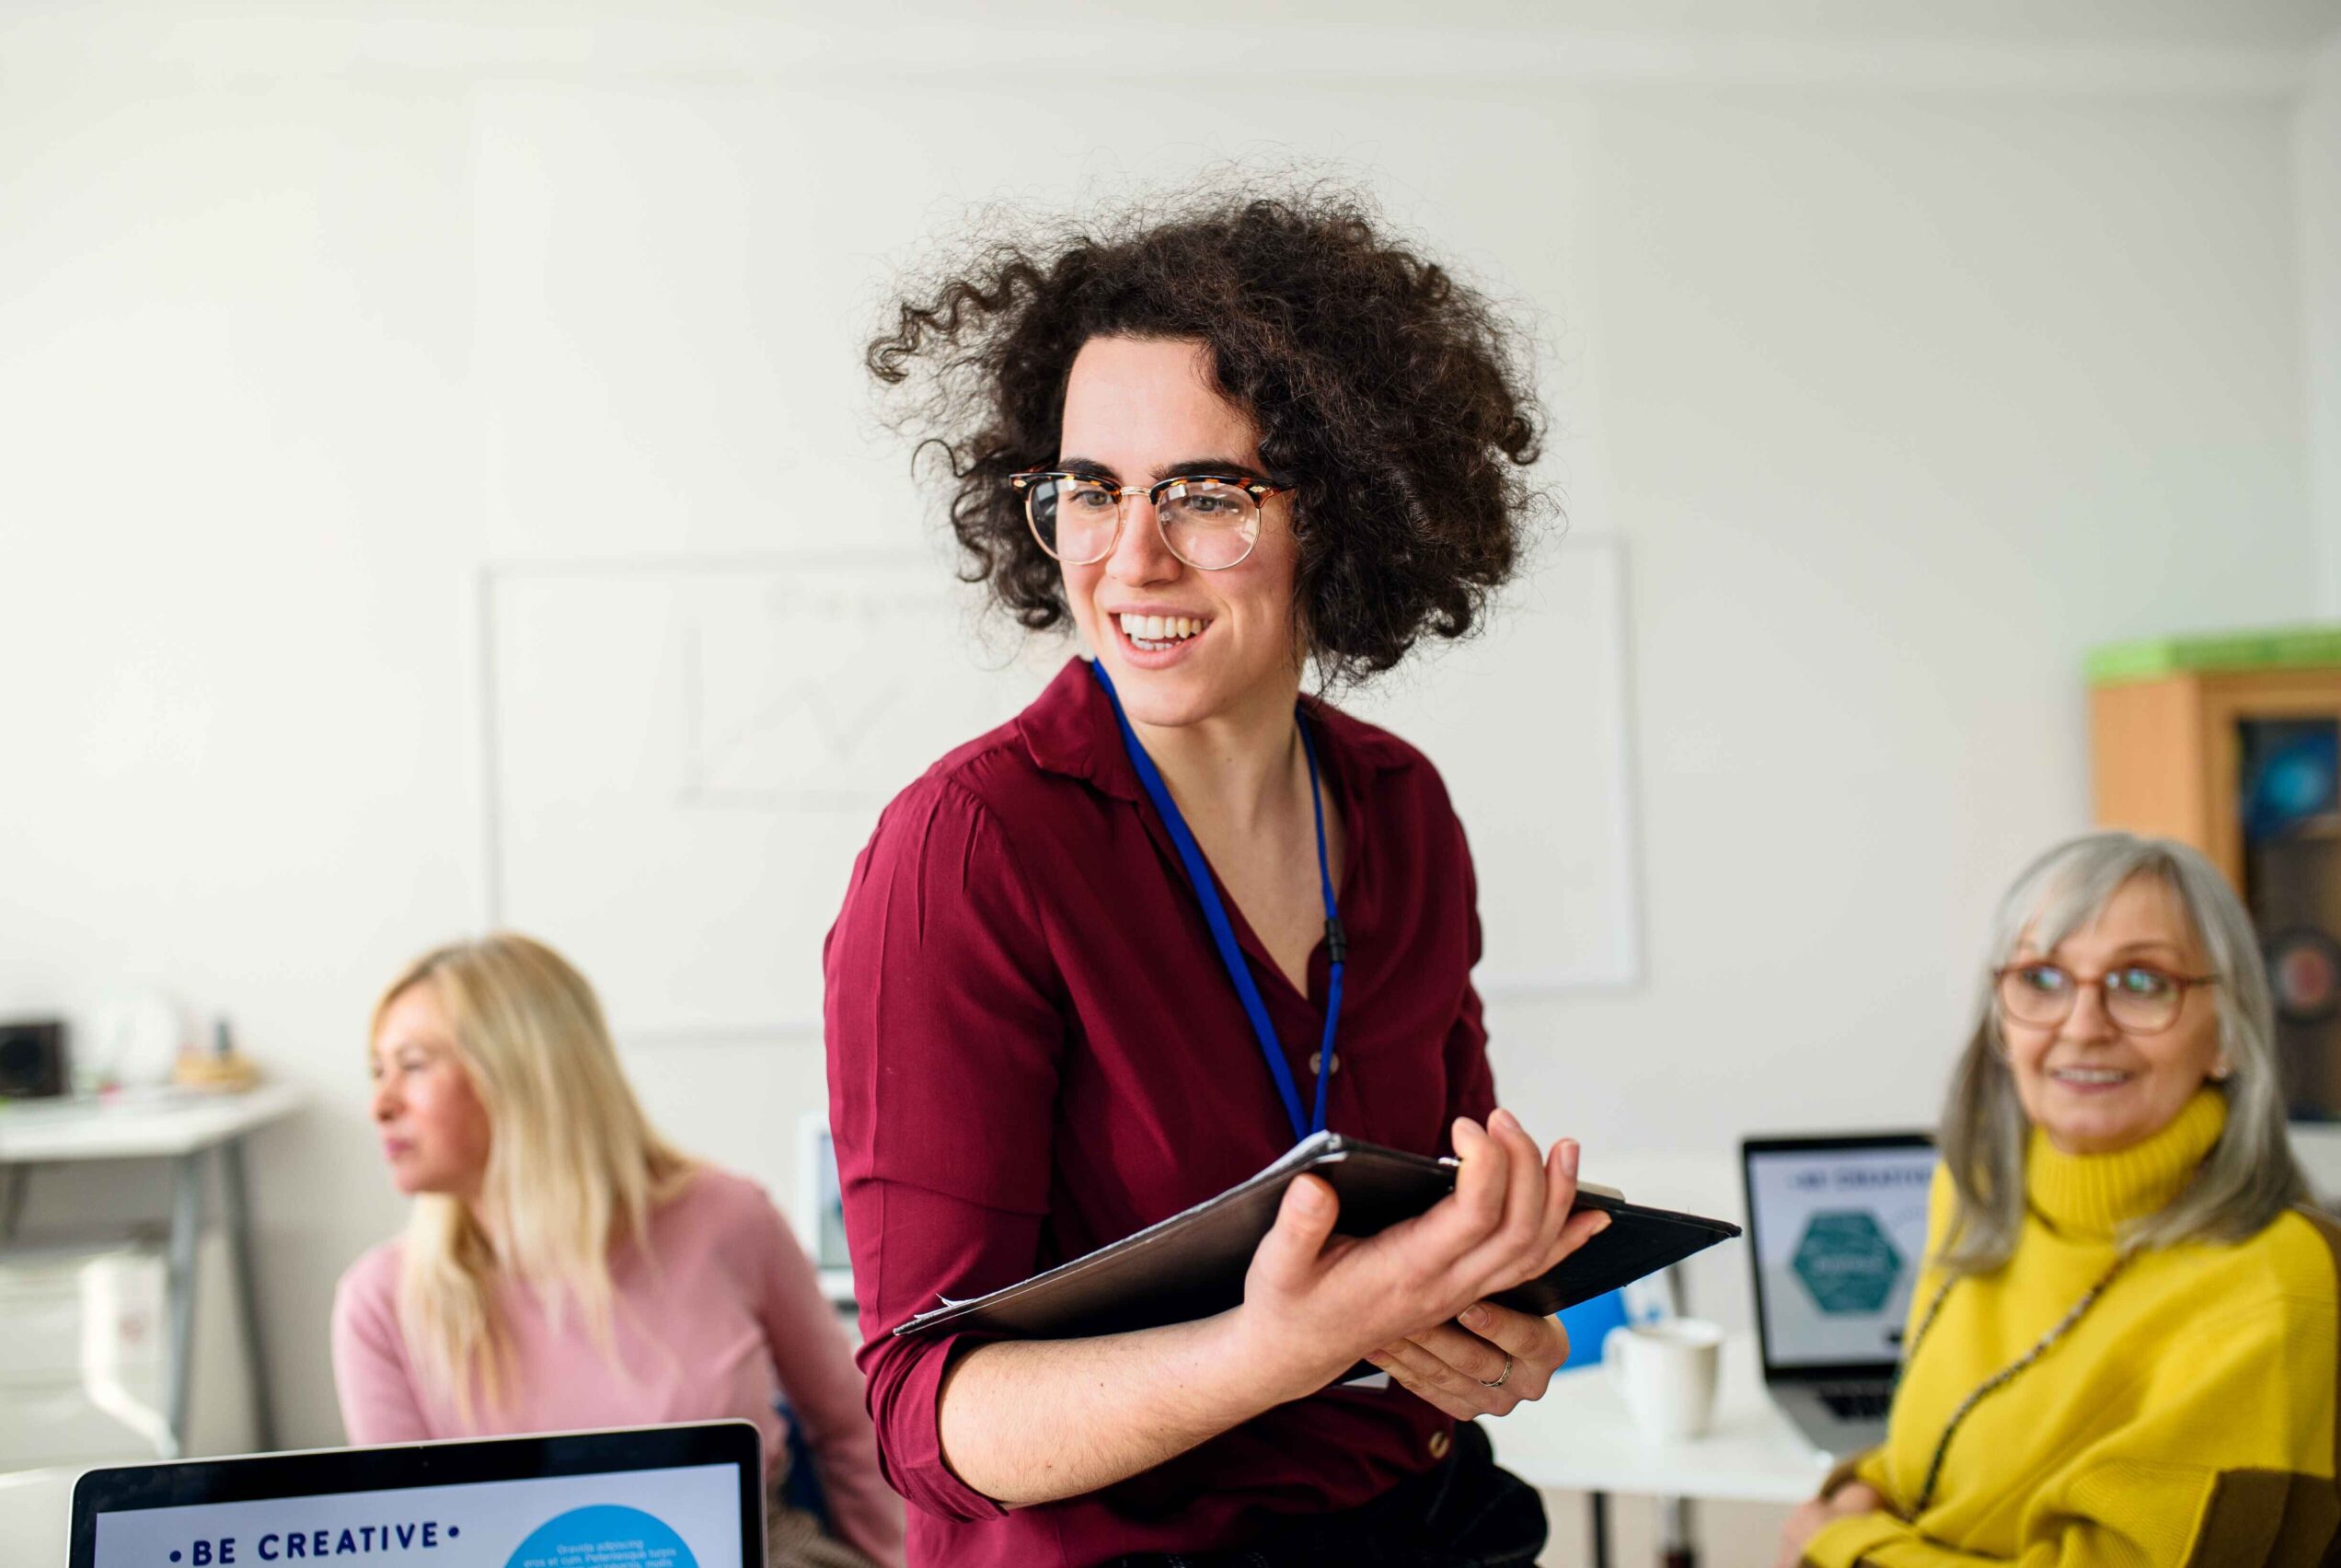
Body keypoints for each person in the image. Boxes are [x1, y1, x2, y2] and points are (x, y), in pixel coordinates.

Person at [825, 185, 1609, 1568]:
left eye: (1204, 494)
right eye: (1091, 491)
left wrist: (1491, 1325)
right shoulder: (970, 850)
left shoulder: (1402, 810)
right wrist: (1273, 1350)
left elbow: (1416, 1241)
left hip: (1413, 1525)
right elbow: (925, 1423)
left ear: (1348, 513)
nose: (1131, 556)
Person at [1777, 833, 2341, 1567]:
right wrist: (1866, 1491)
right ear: (2001, 1018)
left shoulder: (2279, 1282)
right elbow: (1949, 1450)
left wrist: (1848, 1548)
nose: (2083, 1027)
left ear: (2229, 1037)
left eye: (2143, 982)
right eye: (2043, 978)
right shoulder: (1976, 1188)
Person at [332, 933, 905, 1568]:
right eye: (376, 1071)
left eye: (412, 1066)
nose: (379, 1105)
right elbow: (410, 1544)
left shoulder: (729, 1218)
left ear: (525, 1070)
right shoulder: (380, 1301)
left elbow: (854, 1429)